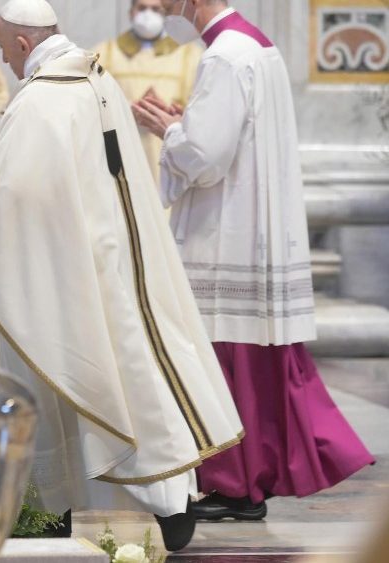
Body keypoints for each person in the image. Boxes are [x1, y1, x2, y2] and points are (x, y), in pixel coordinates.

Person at [0, 0, 244, 551]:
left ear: (24, 44)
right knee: (131, 376)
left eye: (3, 49)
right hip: (110, 264)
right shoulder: (96, 79)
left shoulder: (42, 101)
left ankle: (42, 518)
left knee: (42, 384)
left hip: (50, 276)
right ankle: (171, 505)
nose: (4, 61)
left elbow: (14, 192)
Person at [133, 0, 374, 521]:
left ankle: (234, 483)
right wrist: (187, 126)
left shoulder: (223, 55)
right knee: (246, 360)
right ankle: (243, 483)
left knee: (222, 359)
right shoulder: (256, 46)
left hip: (225, 234)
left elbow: (206, 156)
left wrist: (169, 133)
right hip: (249, 228)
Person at [92, 0, 200, 184]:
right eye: (142, 8)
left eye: (155, 9)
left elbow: (201, 110)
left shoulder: (190, 55)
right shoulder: (105, 53)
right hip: (121, 148)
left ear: (167, 13)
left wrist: (168, 111)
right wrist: (127, 108)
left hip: (166, 151)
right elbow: (89, 100)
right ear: (131, 12)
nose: (148, 14)